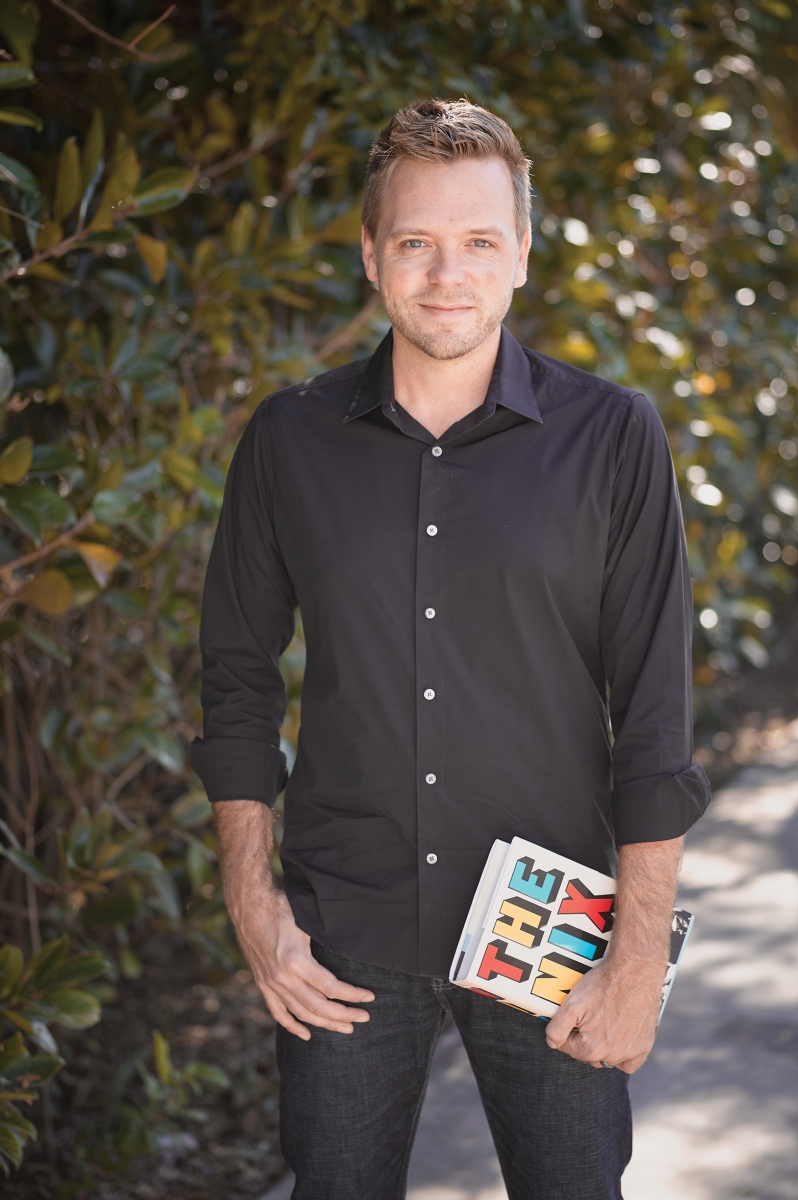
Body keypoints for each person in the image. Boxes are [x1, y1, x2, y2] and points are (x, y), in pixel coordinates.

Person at [191, 97, 711, 1200]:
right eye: (415, 242)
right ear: (370, 254)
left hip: (550, 931)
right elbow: (234, 676)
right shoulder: (288, 440)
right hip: (345, 929)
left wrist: (634, 960)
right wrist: (253, 905)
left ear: (520, 254)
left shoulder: (612, 437)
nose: (446, 275)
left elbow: (654, 715)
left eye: (478, 241)